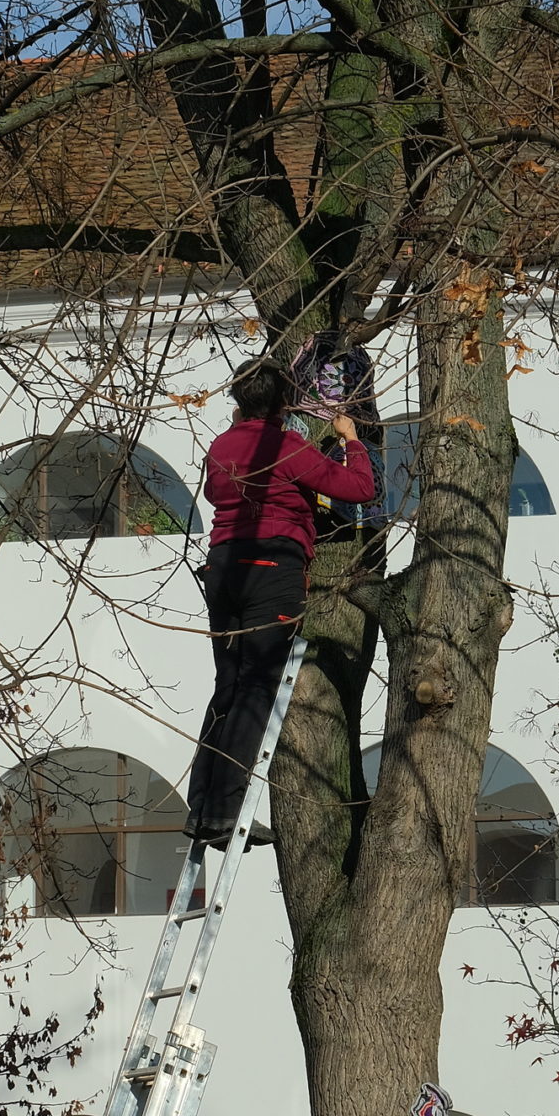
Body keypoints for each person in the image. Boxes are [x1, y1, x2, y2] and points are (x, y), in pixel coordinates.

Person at [187, 359, 375, 846]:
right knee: (256, 689)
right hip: (272, 568)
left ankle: (201, 806)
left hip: (222, 567)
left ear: (238, 400)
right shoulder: (286, 447)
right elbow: (360, 488)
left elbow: (214, 493)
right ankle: (225, 814)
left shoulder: (222, 446)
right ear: (285, 402)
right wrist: (351, 440)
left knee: (227, 684)